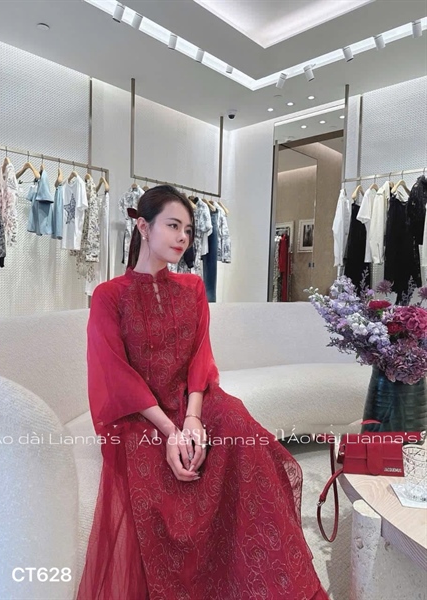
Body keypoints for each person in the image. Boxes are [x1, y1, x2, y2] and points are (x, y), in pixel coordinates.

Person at [77, 185, 329, 600]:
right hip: (139, 414)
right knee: (160, 490)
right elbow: (115, 373)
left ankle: (269, 581)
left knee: (241, 429)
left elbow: (200, 356)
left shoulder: (192, 287)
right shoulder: (109, 296)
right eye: (173, 226)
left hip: (193, 399)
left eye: (188, 230)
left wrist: (192, 418)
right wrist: (170, 431)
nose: (183, 237)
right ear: (143, 227)